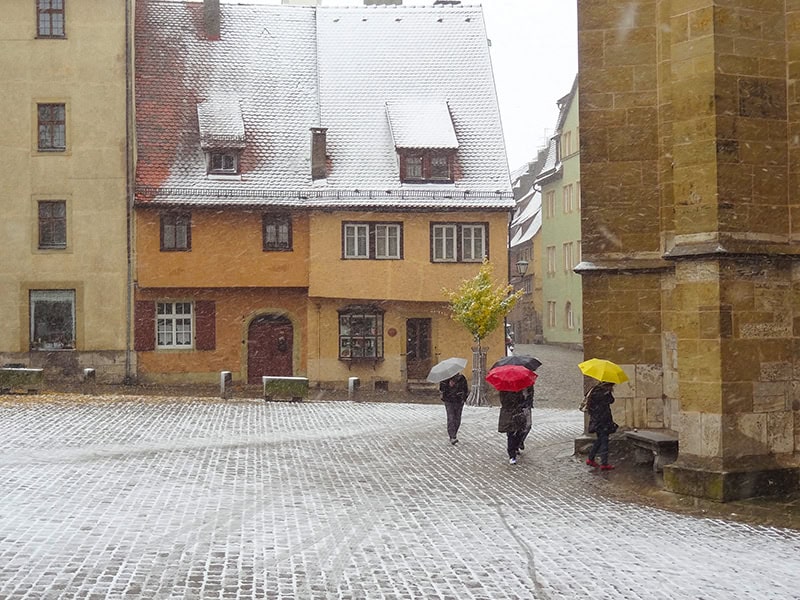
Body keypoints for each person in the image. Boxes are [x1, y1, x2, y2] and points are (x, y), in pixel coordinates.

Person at [585, 381, 617, 470]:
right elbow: (611, 401)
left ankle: (591, 459)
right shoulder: (605, 393)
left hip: (596, 420)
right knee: (604, 441)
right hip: (603, 420)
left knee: (600, 440)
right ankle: (604, 463)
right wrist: (609, 392)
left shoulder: (594, 390)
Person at [498, 389, 527, 464]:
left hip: (517, 414)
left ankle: (515, 448)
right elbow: (504, 402)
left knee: (519, 433)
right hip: (509, 415)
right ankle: (512, 455)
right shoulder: (503, 391)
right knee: (511, 434)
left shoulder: (519, 390)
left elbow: (523, 402)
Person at [439, 371, 468, 445]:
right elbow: (442, 389)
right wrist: (448, 385)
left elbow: (465, 389)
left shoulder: (461, 378)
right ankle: (452, 436)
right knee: (451, 417)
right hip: (449, 401)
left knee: (457, 418)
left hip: (459, 400)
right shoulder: (444, 379)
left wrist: (463, 398)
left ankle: (454, 433)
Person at [517, 384, 534, 451]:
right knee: (518, 427)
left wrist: (530, 403)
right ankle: (516, 446)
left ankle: (521, 440)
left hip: (527, 407)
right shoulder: (516, 385)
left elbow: (531, 394)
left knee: (528, 425)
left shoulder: (529, 384)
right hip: (518, 408)